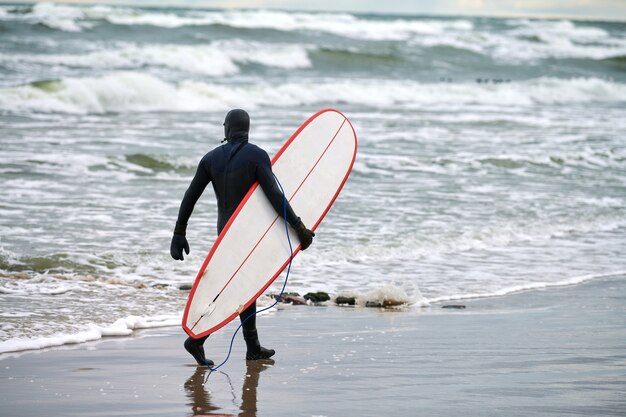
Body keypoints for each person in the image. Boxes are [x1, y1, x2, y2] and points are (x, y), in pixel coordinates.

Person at [170, 109, 315, 366]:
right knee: (240, 287)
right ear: (247, 129)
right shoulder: (256, 156)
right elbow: (274, 196)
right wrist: (299, 227)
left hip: (224, 232)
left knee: (244, 286)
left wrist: (179, 232)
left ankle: (251, 346)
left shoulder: (210, 158)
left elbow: (190, 195)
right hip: (247, 232)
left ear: (227, 128)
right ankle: (199, 340)